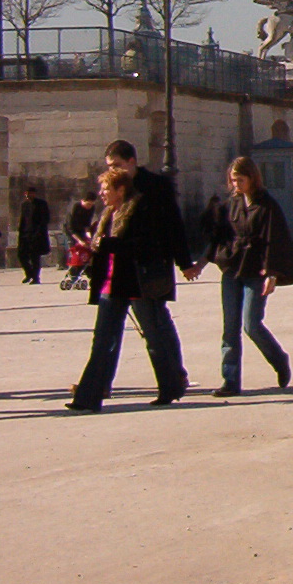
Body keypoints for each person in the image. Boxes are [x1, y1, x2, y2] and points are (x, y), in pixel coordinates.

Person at [66, 167, 192, 411]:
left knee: (153, 337)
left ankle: (170, 387)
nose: (101, 193)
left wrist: (111, 244)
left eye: (106, 189)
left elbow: (146, 245)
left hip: (136, 282)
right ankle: (88, 397)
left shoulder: (140, 209)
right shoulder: (109, 212)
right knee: (103, 340)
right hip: (110, 284)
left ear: (120, 190)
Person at [201, 157, 293, 397]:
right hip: (232, 269)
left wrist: (272, 274)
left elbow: (273, 240)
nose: (236, 184)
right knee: (230, 327)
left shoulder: (267, 205)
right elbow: (219, 236)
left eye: (240, 180)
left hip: (256, 271)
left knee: (251, 324)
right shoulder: (231, 204)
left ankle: (279, 359)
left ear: (252, 178)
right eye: (233, 180)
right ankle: (230, 380)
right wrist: (201, 263)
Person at [101, 141, 196, 396]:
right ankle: (100, 384)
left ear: (132, 161)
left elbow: (174, 225)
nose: (114, 170)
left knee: (156, 327)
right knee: (108, 330)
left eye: (118, 165)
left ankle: (175, 376)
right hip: (119, 268)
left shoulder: (156, 187)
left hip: (147, 268)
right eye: (110, 166)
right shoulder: (114, 187)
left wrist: (184, 263)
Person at [62, 187, 99, 290]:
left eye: (91, 204)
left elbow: (87, 224)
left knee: (86, 253)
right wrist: (80, 241)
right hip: (71, 231)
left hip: (81, 231)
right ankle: (73, 274)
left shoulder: (91, 208)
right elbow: (71, 228)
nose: (89, 207)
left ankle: (89, 274)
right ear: (83, 201)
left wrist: (89, 236)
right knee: (76, 253)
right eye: (88, 204)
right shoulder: (75, 208)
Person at [15, 185, 50, 284]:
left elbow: (45, 219)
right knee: (21, 255)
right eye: (26, 193)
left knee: (35, 257)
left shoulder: (42, 204)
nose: (28, 195)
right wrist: (21, 232)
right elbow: (23, 219)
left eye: (30, 193)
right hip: (25, 234)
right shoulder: (24, 205)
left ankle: (36, 278)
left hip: (37, 235)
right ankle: (29, 273)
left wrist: (38, 232)